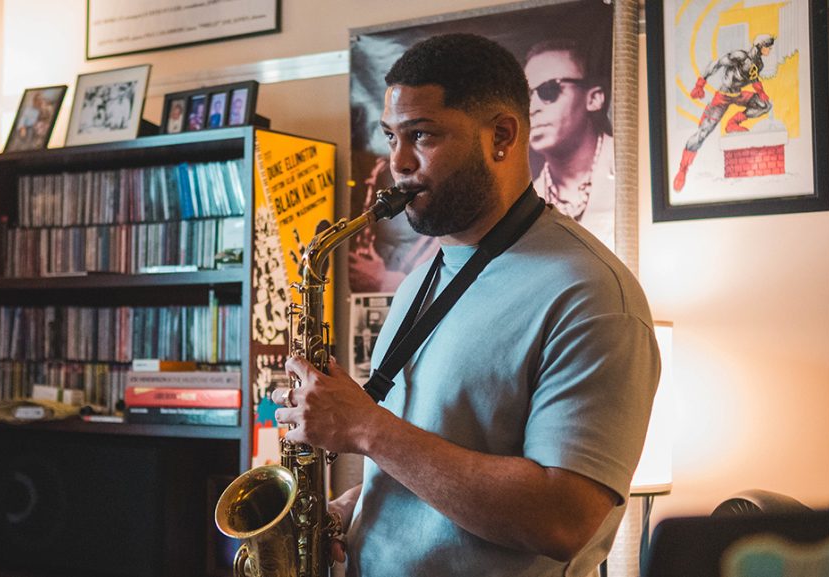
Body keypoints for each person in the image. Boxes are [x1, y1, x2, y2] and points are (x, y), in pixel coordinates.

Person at [271, 33, 660, 577]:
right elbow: (443, 453)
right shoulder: (420, 280)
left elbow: (562, 519)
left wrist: (366, 428)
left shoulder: (591, 295)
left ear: (501, 135)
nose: (397, 163)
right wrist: (359, 509)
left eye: (422, 136)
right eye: (390, 137)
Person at [524, 39, 615, 248]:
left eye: (549, 90)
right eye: (525, 97)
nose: (532, 108)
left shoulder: (635, 170)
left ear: (594, 99)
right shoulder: (525, 200)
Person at [672, 34, 776, 191]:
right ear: (761, 46)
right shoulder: (740, 56)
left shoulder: (758, 64)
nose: (770, 50)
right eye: (768, 46)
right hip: (722, 98)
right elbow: (716, 64)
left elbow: (754, 78)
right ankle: (682, 169)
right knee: (702, 133)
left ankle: (733, 122)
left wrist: (761, 92)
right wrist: (700, 84)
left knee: (765, 104)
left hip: (738, 95)